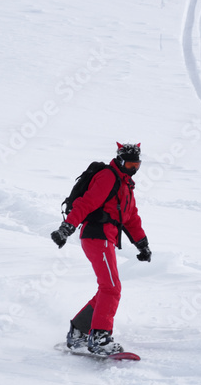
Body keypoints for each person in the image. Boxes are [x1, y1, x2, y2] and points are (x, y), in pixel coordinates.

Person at [50, 142, 152, 356]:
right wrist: (66, 228)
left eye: (137, 164)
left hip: (106, 238)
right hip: (98, 236)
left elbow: (131, 217)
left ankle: (79, 331)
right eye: (130, 163)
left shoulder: (126, 185)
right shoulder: (108, 177)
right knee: (111, 288)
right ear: (120, 160)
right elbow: (86, 203)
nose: (134, 169)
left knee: (108, 287)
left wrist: (142, 244)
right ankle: (100, 338)